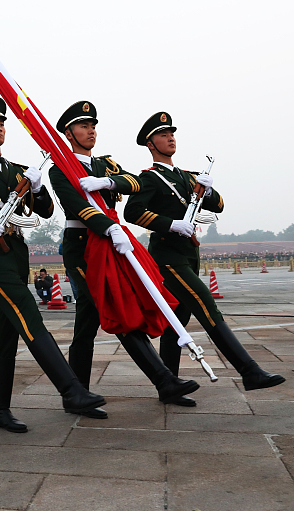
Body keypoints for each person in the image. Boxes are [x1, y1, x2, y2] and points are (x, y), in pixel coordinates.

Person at [0, 95, 105, 431]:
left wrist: (38, 190)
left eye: (2, 122)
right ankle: (71, 390)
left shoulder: (15, 170)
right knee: (28, 314)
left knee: (8, 333)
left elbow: (46, 212)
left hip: (16, 255)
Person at [49, 100, 198, 417]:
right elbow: (78, 207)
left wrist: (108, 181)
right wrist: (107, 226)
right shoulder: (60, 169)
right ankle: (163, 381)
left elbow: (137, 181)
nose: (91, 131)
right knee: (114, 308)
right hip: (82, 248)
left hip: (112, 244)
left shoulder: (104, 165)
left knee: (88, 324)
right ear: (68, 133)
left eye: (93, 126)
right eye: (83, 126)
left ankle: (76, 394)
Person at [124, 112, 284, 398]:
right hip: (167, 256)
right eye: (163, 135)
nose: (170, 138)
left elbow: (219, 204)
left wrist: (208, 189)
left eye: (172, 133)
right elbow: (132, 212)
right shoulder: (148, 179)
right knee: (205, 303)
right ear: (150, 144)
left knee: (177, 320)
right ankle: (250, 372)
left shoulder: (188, 177)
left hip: (189, 254)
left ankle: (169, 387)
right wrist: (170, 223)